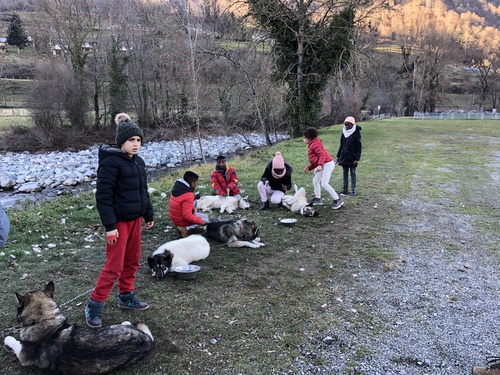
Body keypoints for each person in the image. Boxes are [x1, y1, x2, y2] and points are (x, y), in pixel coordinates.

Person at [85, 113, 154, 329]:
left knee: (132, 260)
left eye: (138, 140)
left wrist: (148, 213)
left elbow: (143, 191)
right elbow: (103, 197)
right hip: (118, 223)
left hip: (135, 220)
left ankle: (126, 296)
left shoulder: (138, 162)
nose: (136, 145)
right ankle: (94, 305)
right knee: (114, 266)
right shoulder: (111, 163)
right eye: (131, 140)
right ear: (121, 141)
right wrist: (110, 227)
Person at [303, 127, 344, 210]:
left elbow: (322, 155)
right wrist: (309, 167)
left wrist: (320, 165)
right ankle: (318, 199)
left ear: (309, 138)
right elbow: (316, 160)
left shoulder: (315, 144)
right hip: (323, 164)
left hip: (327, 164)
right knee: (315, 181)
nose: (303, 139)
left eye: (304, 138)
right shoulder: (312, 144)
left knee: (324, 183)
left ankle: (338, 200)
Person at [169, 171, 208, 237]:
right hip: (181, 220)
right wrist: (201, 221)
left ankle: (182, 226)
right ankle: (185, 228)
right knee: (205, 219)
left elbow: (182, 200)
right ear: (192, 183)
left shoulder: (177, 187)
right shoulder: (188, 195)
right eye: (196, 183)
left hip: (174, 217)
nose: (196, 185)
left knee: (196, 205)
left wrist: (194, 198)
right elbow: (187, 216)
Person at [336, 116, 362, 196]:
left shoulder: (356, 133)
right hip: (344, 157)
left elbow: (359, 147)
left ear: (352, 124)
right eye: (345, 124)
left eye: (348, 125)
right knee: (345, 173)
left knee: (353, 173)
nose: (346, 126)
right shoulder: (344, 132)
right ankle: (345, 189)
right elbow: (341, 145)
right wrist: (338, 155)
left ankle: (353, 189)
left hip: (353, 157)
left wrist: (357, 159)